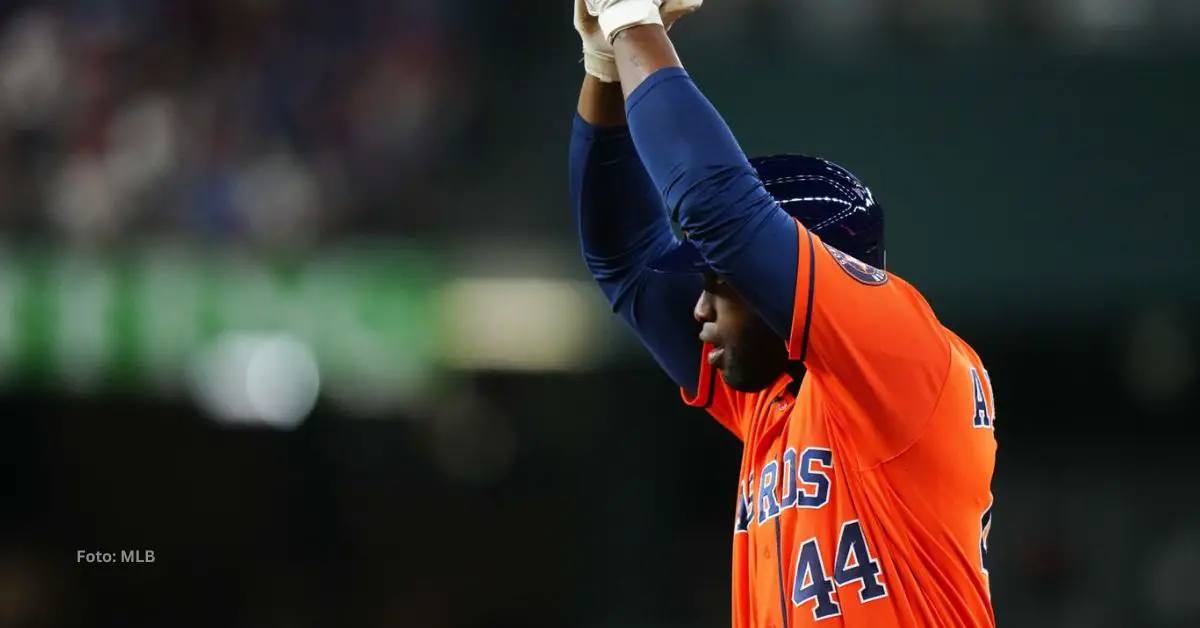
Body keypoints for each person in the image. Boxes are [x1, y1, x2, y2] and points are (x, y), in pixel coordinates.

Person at [568, 1, 999, 626]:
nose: (699, 307)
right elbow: (626, 258)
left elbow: (720, 208)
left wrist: (634, 23)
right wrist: (604, 65)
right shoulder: (778, 398)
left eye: (721, 283)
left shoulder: (904, 356)